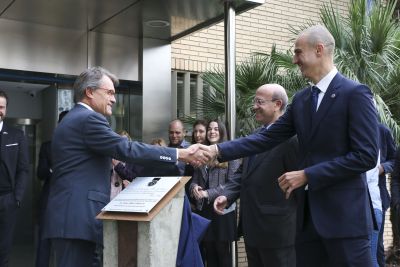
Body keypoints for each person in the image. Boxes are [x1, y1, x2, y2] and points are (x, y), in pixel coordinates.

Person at [203, 25, 378, 266]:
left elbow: (366, 156)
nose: (294, 59)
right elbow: (264, 138)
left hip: (345, 221)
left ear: (319, 50)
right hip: (306, 223)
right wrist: (217, 150)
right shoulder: (302, 100)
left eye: (298, 52)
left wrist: (308, 174)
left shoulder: (355, 94)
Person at [42, 66, 208, 267]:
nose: (113, 99)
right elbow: (127, 149)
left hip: (74, 220)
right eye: (109, 92)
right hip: (77, 220)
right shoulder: (88, 119)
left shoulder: (73, 119)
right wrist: (179, 153)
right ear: (89, 92)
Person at [214, 84, 299, 267]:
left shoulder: (292, 139)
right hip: (253, 231)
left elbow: (300, 187)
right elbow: (242, 173)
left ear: (277, 104)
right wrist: (226, 195)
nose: (254, 106)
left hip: (279, 234)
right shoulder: (256, 135)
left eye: (259, 102)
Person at [190, 119, 240, 267]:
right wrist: (194, 188)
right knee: (209, 252)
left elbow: (232, 184)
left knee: (222, 252)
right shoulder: (202, 153)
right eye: (210, 129)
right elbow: (194, 180)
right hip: (203, 210)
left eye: (216, 129)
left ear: (222, 132)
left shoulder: (231, 154)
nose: (212, 131)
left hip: (222, 211)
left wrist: (208, 193)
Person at [35, 110, 69, 267]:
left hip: (71, 203)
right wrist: (54, 170)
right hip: (49, 200)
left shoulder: (82, 147)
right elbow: (40, 173)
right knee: (44, 244)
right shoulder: (47, 146)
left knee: (69, 247)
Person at [0, 90, 29, 267]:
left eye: (1, 107)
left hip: (7, 200)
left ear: (6, 109)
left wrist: (16, 198)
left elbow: (23, 169)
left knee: (3, 248)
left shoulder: (17, 135)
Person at [376, 122, 396, 267]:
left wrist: (383, 167)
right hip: (351, 199)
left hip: (378, 197)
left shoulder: (383, 131)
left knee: (377, 245)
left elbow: (395, 160)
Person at [110, 130, 142, 199]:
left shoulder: (134, 161)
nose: (122, 146)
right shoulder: (109, 159)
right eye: (119, 142)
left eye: (125, 143)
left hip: (124, 200)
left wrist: (118, 166)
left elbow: (134, 178)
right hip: (108, 200)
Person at [366, 155, 382, 267]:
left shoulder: (368, 143)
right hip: (370, 209)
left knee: (369, 260)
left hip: (371, 210)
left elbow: (363, 178)